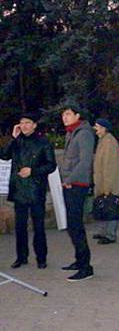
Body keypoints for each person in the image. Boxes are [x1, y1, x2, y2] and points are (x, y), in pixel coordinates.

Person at [0, 112, 56, 269]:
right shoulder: (16, 142)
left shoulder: (43, 142)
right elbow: (4, 155)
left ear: (34, 125)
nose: (24, 126)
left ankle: (41, 257)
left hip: (36, 189)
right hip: (19, 190)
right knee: (20, 226)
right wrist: (13, 138)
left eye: (27, 123)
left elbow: (51, 165)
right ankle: (21, 256)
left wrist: (32, 171)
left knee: (38, 226)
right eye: (21, 123)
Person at [59, 105, 95, 282]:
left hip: (77, 185)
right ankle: (79, 260)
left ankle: (86, 267)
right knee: (72, 225)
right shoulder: (71, 133)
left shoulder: (84, 134)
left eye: (68, 114)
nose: (64, 117)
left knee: (76, 225)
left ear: (77, 115)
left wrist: (69, 179)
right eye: (63, 115)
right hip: (69, 184)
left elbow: (85, 161)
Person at [92, 118, 119, 244]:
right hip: (105, 180)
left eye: (97, 126)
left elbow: (108, 165)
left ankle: (110, 234)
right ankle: (104, 231)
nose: (95, 129)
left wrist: (107, 186)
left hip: (110, 181)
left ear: (103, 128)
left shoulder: (108, 142)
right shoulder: (104, 140)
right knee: (105, 206)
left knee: (112, 206)